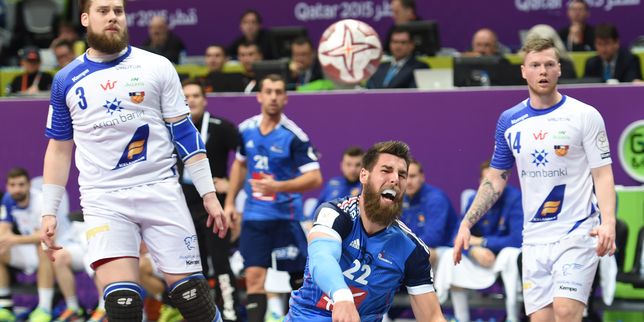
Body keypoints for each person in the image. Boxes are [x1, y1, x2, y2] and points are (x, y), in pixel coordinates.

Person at [39, 1, 229, 321]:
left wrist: (208, 194)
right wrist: (49, 210)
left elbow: (184, 133)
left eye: (118, 10)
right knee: (122, 305)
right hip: (104, 197)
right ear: (86, 19)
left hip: (160, 188)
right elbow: (59, 148)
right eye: (103, 10)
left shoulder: (156, 66)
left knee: (192, 298)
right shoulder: (65, 80)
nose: (112, 16)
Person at [453, 38, 617, 322]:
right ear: (523, 71)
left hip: (577, 231)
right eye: (536, 65)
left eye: (549, 64)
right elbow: (496, 177)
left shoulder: (584, 115)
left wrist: (609, 222)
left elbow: (602, 173)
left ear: (559, 70)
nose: (543, 71)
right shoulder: (509, 120)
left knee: (566, 312)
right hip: (534, 239)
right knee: (541, 319)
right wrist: (467, 223)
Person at [287, 141, 446, 321]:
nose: (395, 179)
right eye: (386, 171)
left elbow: (432, 317)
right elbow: (322, 258)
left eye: (402, 174)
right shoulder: (335, 213)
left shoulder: (411, 248)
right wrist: (343, 298)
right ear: (364, 175)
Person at [223, 74, 323, 322]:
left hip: (286, 218)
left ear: (286, 98)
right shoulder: (245, 129)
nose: (274, 97)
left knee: (298, 281)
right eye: (268, 91)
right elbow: (240, 165)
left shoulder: (293, 136)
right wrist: (229, 202)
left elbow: (315, 178)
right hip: (255, 218)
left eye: (279, 92)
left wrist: (277, 186)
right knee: (255, 279)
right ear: (259, 96)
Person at [178, 79, 242, 322]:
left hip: (213, 205)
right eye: (186, 96)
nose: (191, 100)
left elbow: (244, 158)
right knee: (194, 265)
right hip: (183, 205)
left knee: (220, 261)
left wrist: (232, 188)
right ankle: (202, 315)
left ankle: (231, 314)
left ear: (204, 100)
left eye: (196, 95)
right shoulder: (171, 129)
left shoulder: (220, 127)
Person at [435, 160, 523, 322]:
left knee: (510, 254)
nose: (491, 186)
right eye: (486, 181)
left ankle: (512, 317)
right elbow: (459, 233)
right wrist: (473, 250)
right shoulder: (476, 200)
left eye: (495, 180)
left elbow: (517, 240)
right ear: (480, 182)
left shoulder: (515, 199)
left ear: (504, 179)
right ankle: (461, 317)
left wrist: (483, 243)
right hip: (480, 257)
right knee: (451, 256)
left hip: (503, 257)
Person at [0, 168, 70, 322]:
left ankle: (44, 308)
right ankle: (5, 305)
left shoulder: (41, 201)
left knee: (43, 247)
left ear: (29, 185)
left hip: (60, 248)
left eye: (21, 184)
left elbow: (48, 237)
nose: (17, 189)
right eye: (12, 185)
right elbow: (3, 233)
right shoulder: (8, 200)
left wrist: (13, 239)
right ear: (7, 186)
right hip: (30, 250)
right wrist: (7, 240)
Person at [401, 159, 457, 268]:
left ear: (422, 177)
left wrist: (403, 248)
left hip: (444, 250)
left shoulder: (436, 198)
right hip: (414, 247)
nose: (408, 182)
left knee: (420, 255)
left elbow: (433, 238)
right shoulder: (401, 198)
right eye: (404, 176)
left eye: (412, 176)